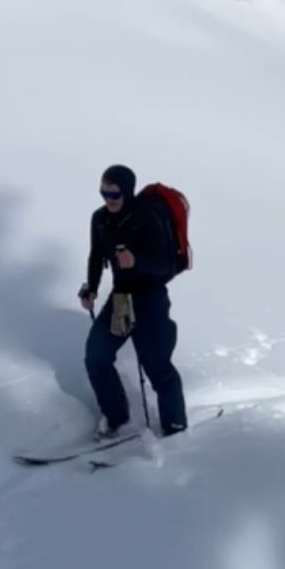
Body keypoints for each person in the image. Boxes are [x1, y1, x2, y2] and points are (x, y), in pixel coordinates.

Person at [79, 165, 188, 437]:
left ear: (126, 191)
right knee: (97, 355)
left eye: (114, 194)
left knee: (157, 366)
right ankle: (116, 417)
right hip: (121, 300)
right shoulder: (100, 219)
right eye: (103, 193)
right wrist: (91, 288)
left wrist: (136, 260)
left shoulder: (147, 217)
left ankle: (175, 426)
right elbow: (95, 256)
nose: (108, 199)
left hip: (150, 299)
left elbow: (164, 263)